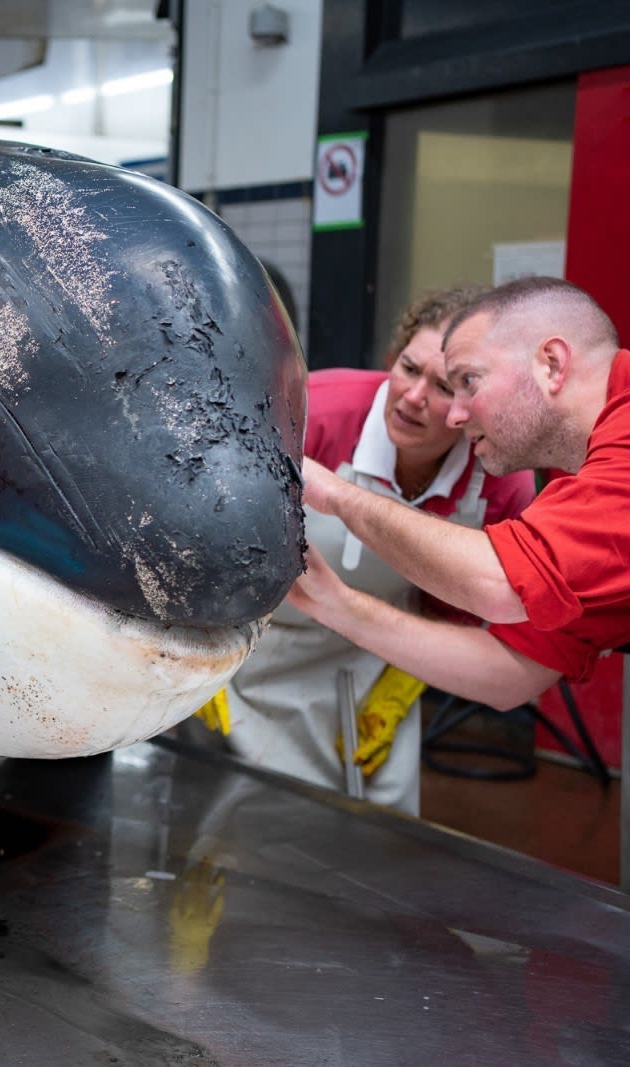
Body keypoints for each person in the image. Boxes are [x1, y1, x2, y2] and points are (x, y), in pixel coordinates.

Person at [202, 286, 536, 812]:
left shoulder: (497, 481)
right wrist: (206, 650)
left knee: (375, 839)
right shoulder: (315, 408)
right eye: (408, 368)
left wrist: (400, 688)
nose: (413, 397)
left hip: (374, 667)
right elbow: (208, 523)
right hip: (258, 657)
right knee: (246, 831)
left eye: (445, 386)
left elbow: (472, 613)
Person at [294, 276, 628, 710]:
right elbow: (510, 672)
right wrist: (334, 603)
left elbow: (503, 584)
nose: (454, 415)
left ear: (551, 364)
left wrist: (340, 496)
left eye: (466, 382)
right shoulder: (584, 501)